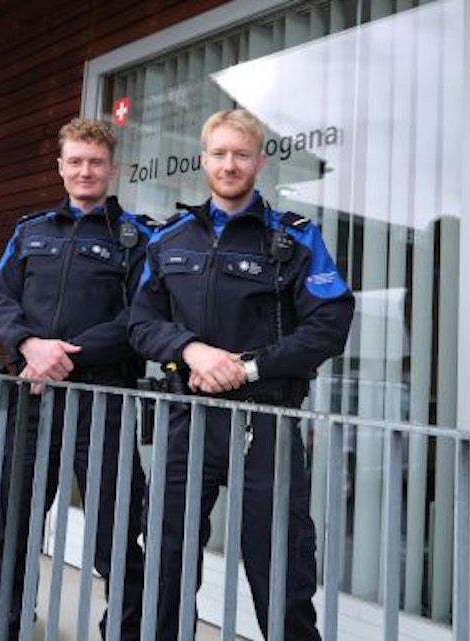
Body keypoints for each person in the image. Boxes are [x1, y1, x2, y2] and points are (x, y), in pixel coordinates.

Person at [128, 109, 354, 640]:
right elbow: (141, 322)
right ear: (203, 158)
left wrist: (248, 367)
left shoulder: (294, 239)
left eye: (241, 154)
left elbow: (330, 323)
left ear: (260, 160)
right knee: (164, 559)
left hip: (265, 423)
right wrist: (191, 351)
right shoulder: (169, 240)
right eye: (220, 153)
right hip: (187, 419)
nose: (230, 165)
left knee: (280, 569)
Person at [0, 118, 151, 640]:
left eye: (95, 162)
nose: (85, 171)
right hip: (32, 400)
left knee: (116, 531)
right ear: (60, 167)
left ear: (113, 169)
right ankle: (5, 626)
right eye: (75, 161)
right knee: (17, 526)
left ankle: (122, 630)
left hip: (104, 405)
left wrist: (61, 358)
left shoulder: (137, 237)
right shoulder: (29, 230)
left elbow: (141, 318)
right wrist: (29, 346)